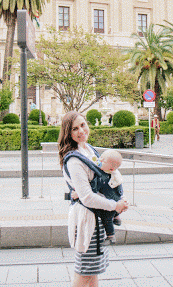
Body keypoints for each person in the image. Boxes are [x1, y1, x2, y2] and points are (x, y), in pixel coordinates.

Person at [58, 111, 128, 287]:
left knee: (93, 270)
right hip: (87, 220)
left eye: (83, 125)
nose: (81, 130)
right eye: (75, 128)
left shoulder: (88, 150)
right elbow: (88, 197)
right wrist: (115, 205)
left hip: (97, 219)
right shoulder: (74, 160)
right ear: (68, 133)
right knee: (85, 272)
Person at [71, 149, 124, 244]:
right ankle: (117, 217)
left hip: (110, 202)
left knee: (106, 218)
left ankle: (111, 236)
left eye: (103, 161)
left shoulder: (102, 176)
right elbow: (120, 189)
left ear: (111, 169)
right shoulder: (115, 173)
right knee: (115, 209)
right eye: (101, 157)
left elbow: (92, 189)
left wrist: (78, 193)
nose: (99, 160)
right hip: (116, 197)